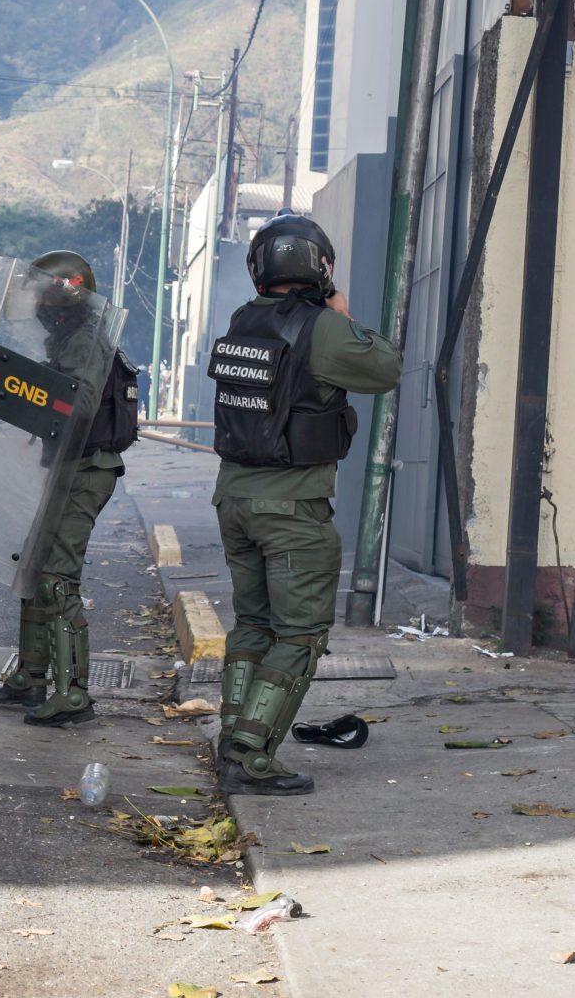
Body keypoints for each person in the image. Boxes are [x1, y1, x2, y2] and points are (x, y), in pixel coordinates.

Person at [208, 213, 401, 797]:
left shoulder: (245, 321)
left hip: (236, 498)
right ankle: (251, 752)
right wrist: (341, 314)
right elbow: (386, 368)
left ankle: (232, 738)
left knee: (253, 625)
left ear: (260, 267)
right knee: (299, 634)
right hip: (291, 510)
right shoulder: (322, 327)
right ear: (320, 265)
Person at [0, 251, 136, 728]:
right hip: (71, 465)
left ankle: (73, 694)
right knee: (33, 571)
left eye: (39, 290)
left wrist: (19, 388)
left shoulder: (87, 339)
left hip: (87, 469)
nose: (33, 300)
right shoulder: (70, 334)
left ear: (61, 293)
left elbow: (80, 402)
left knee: (56, 578)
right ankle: (31, 677)